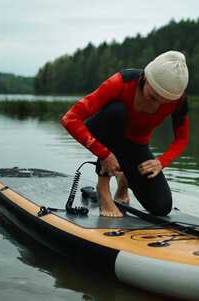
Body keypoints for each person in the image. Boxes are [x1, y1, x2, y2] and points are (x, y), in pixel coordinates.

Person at [61, 50, 189, 218]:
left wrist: (160, 162)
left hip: (135, 145)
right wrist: (104, 154)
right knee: (116, 111)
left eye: (165, 101)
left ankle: (123, 180)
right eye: (153, 96)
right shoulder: (120, 82)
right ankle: (103, 188)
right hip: (104, 131)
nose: (157, 104)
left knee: (161, 207)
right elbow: (70, 118)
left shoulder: (179, 100)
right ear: (145, 78)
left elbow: (182, 139)